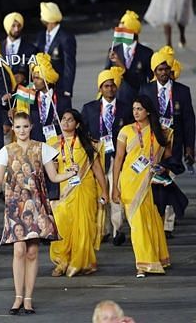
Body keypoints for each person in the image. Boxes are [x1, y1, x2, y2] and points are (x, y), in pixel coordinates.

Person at [0, 112, 78, 315]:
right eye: (18, 127)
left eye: (25, 126)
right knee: (18, 251)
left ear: (31, 127)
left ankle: (28, 299)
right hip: (16, 205)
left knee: (32, 252)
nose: (22, 130)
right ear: (13, 129)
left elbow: (53, 176)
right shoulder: (6, 151)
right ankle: (17, 297)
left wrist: (71, 173)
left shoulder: (42, 148)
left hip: (37, 204)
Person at [112, 95, 172, 278]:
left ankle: (158, 257)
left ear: (148, 111)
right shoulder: (126, 131)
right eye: (134, 109)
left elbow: (168, 155)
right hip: (130, 181)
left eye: (139, 109)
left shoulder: (160, 131)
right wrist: (115, 186)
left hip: (152, 181)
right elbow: (119, 160)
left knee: (151, 220)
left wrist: (162, 166)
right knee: (137, 224)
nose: (135, 112)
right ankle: (143, 264)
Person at [139, 47, 194, 237]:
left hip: (175, 143)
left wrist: (190, 147)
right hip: (153, 143)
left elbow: (189, 120)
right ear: (154, 71)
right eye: (159, 69)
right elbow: (140, 116)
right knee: (154, 181)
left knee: (169, 179)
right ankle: (156, 218)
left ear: (171, 70)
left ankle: (168, 224)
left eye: (166, 69)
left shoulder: (182, 91)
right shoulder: (146, 89)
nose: (163, 72)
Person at [49, 110, 109, 277]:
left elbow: (97, 169)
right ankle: (62, 261)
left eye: (70, 120)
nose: (66, 122)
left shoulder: (87, 144)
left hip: (85, 189)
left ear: (77, 124)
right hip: (63, 191)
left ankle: (80, 262)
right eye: (63, 119)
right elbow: (51, 171)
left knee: (83, 227)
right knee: (62, 226)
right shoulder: (53, 143)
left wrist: (105, 191)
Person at [81, 69, 133, 246]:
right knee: (99, 193)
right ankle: (101, 229)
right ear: (100, 89)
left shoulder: (126, 108)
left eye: (112, 86)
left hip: (118, 157)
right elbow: (82, 133)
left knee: (115, 192)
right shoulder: (89, 108)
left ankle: (117, 230)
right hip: (97, 158)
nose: (110, 89)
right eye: (106, 86)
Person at [105, 11, 153, 106]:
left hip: (139, 102)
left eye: (123, 30)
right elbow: (106, 76)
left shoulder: (146, 53)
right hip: (118, 101)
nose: (120, 33)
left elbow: (151, 80)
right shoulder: (114, 50)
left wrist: (121, 65)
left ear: (132, 32)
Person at [36, 2, 76, 111]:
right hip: (43, 86)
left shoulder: (66, 37)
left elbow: (69, 64)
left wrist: (67, 89)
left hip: (60, 86)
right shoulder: (41, 36)